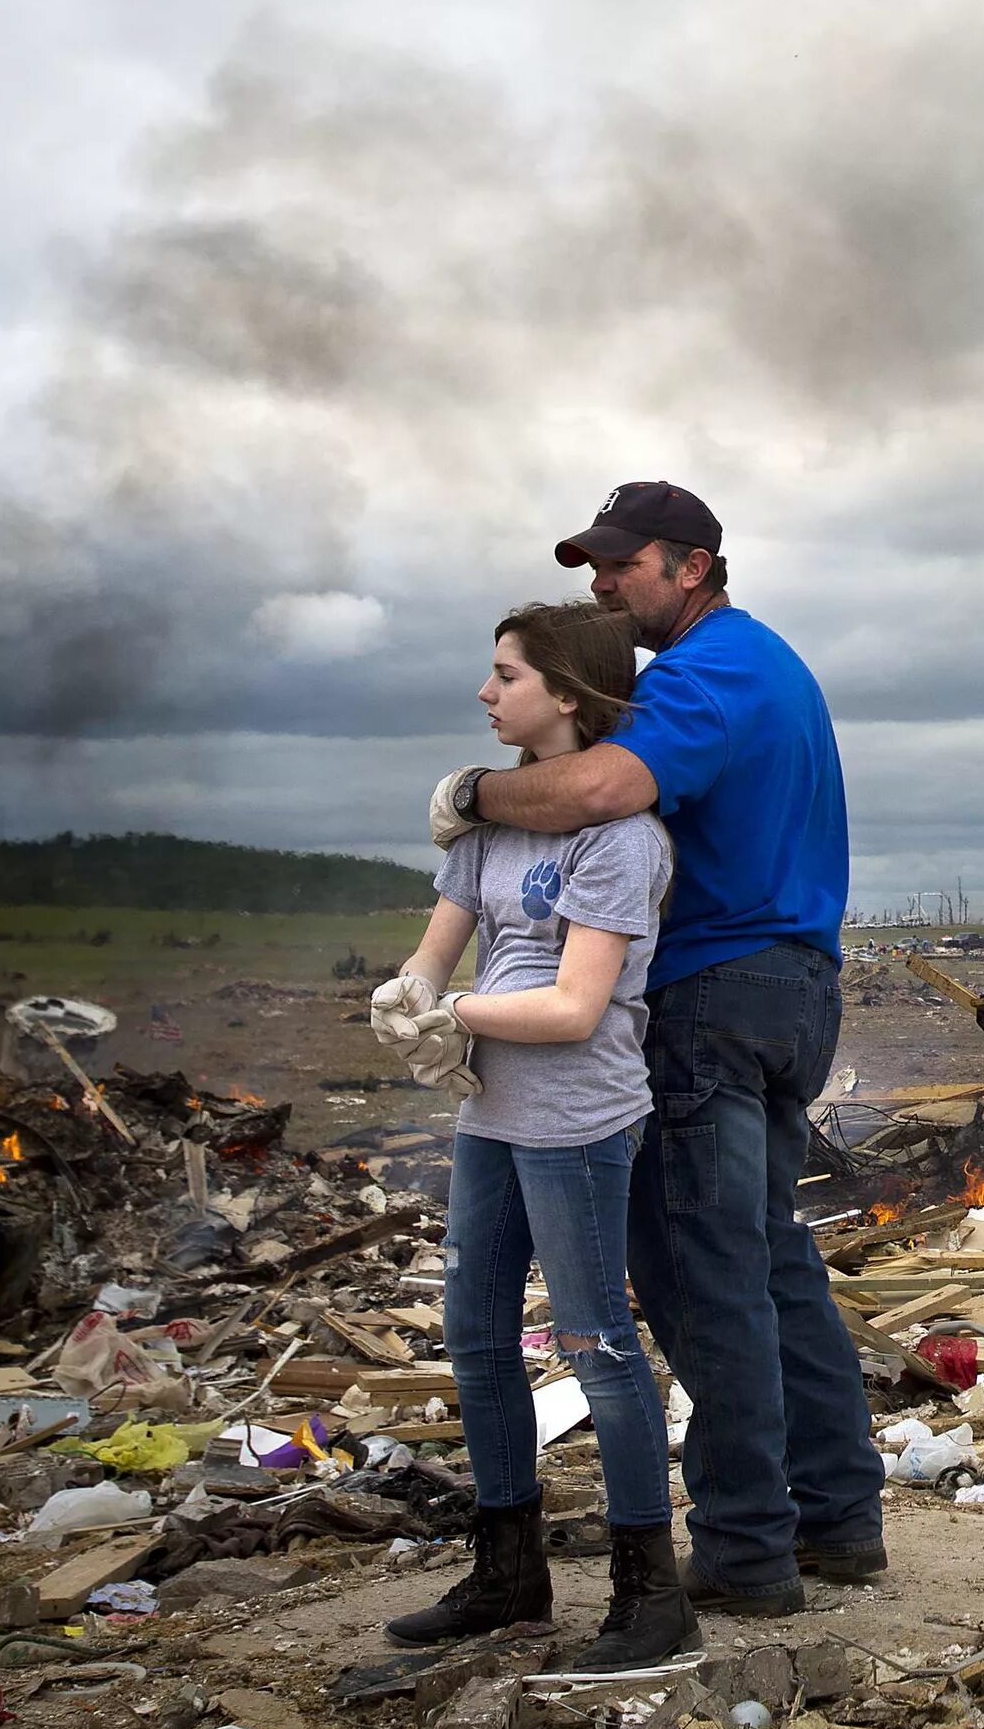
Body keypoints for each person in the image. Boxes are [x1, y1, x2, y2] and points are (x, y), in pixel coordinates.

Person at [427, 482, 880, 1616]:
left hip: (716, 992)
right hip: (788, 986)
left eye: (622, 564)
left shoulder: (706, 670)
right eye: (593, 564)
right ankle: (835, 1517)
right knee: (769, 1259)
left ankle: (743, 1547)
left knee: (699, 1272)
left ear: (692, 566)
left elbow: (604, 784)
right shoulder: (766, 662)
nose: (602, 582)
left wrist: (473, 794)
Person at [372, 599, 697, 1669]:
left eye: (505, 674)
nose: (485, 692)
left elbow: (573, 1008)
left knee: (597, 1344)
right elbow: (442, 943)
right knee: (473, 1335)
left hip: (575, 1117)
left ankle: (652, 1596)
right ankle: (509, 1574)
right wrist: (409, 987)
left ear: (567, 694)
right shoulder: (493, 823)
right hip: (491, 1112)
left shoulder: (622, 837)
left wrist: (449, 1013)